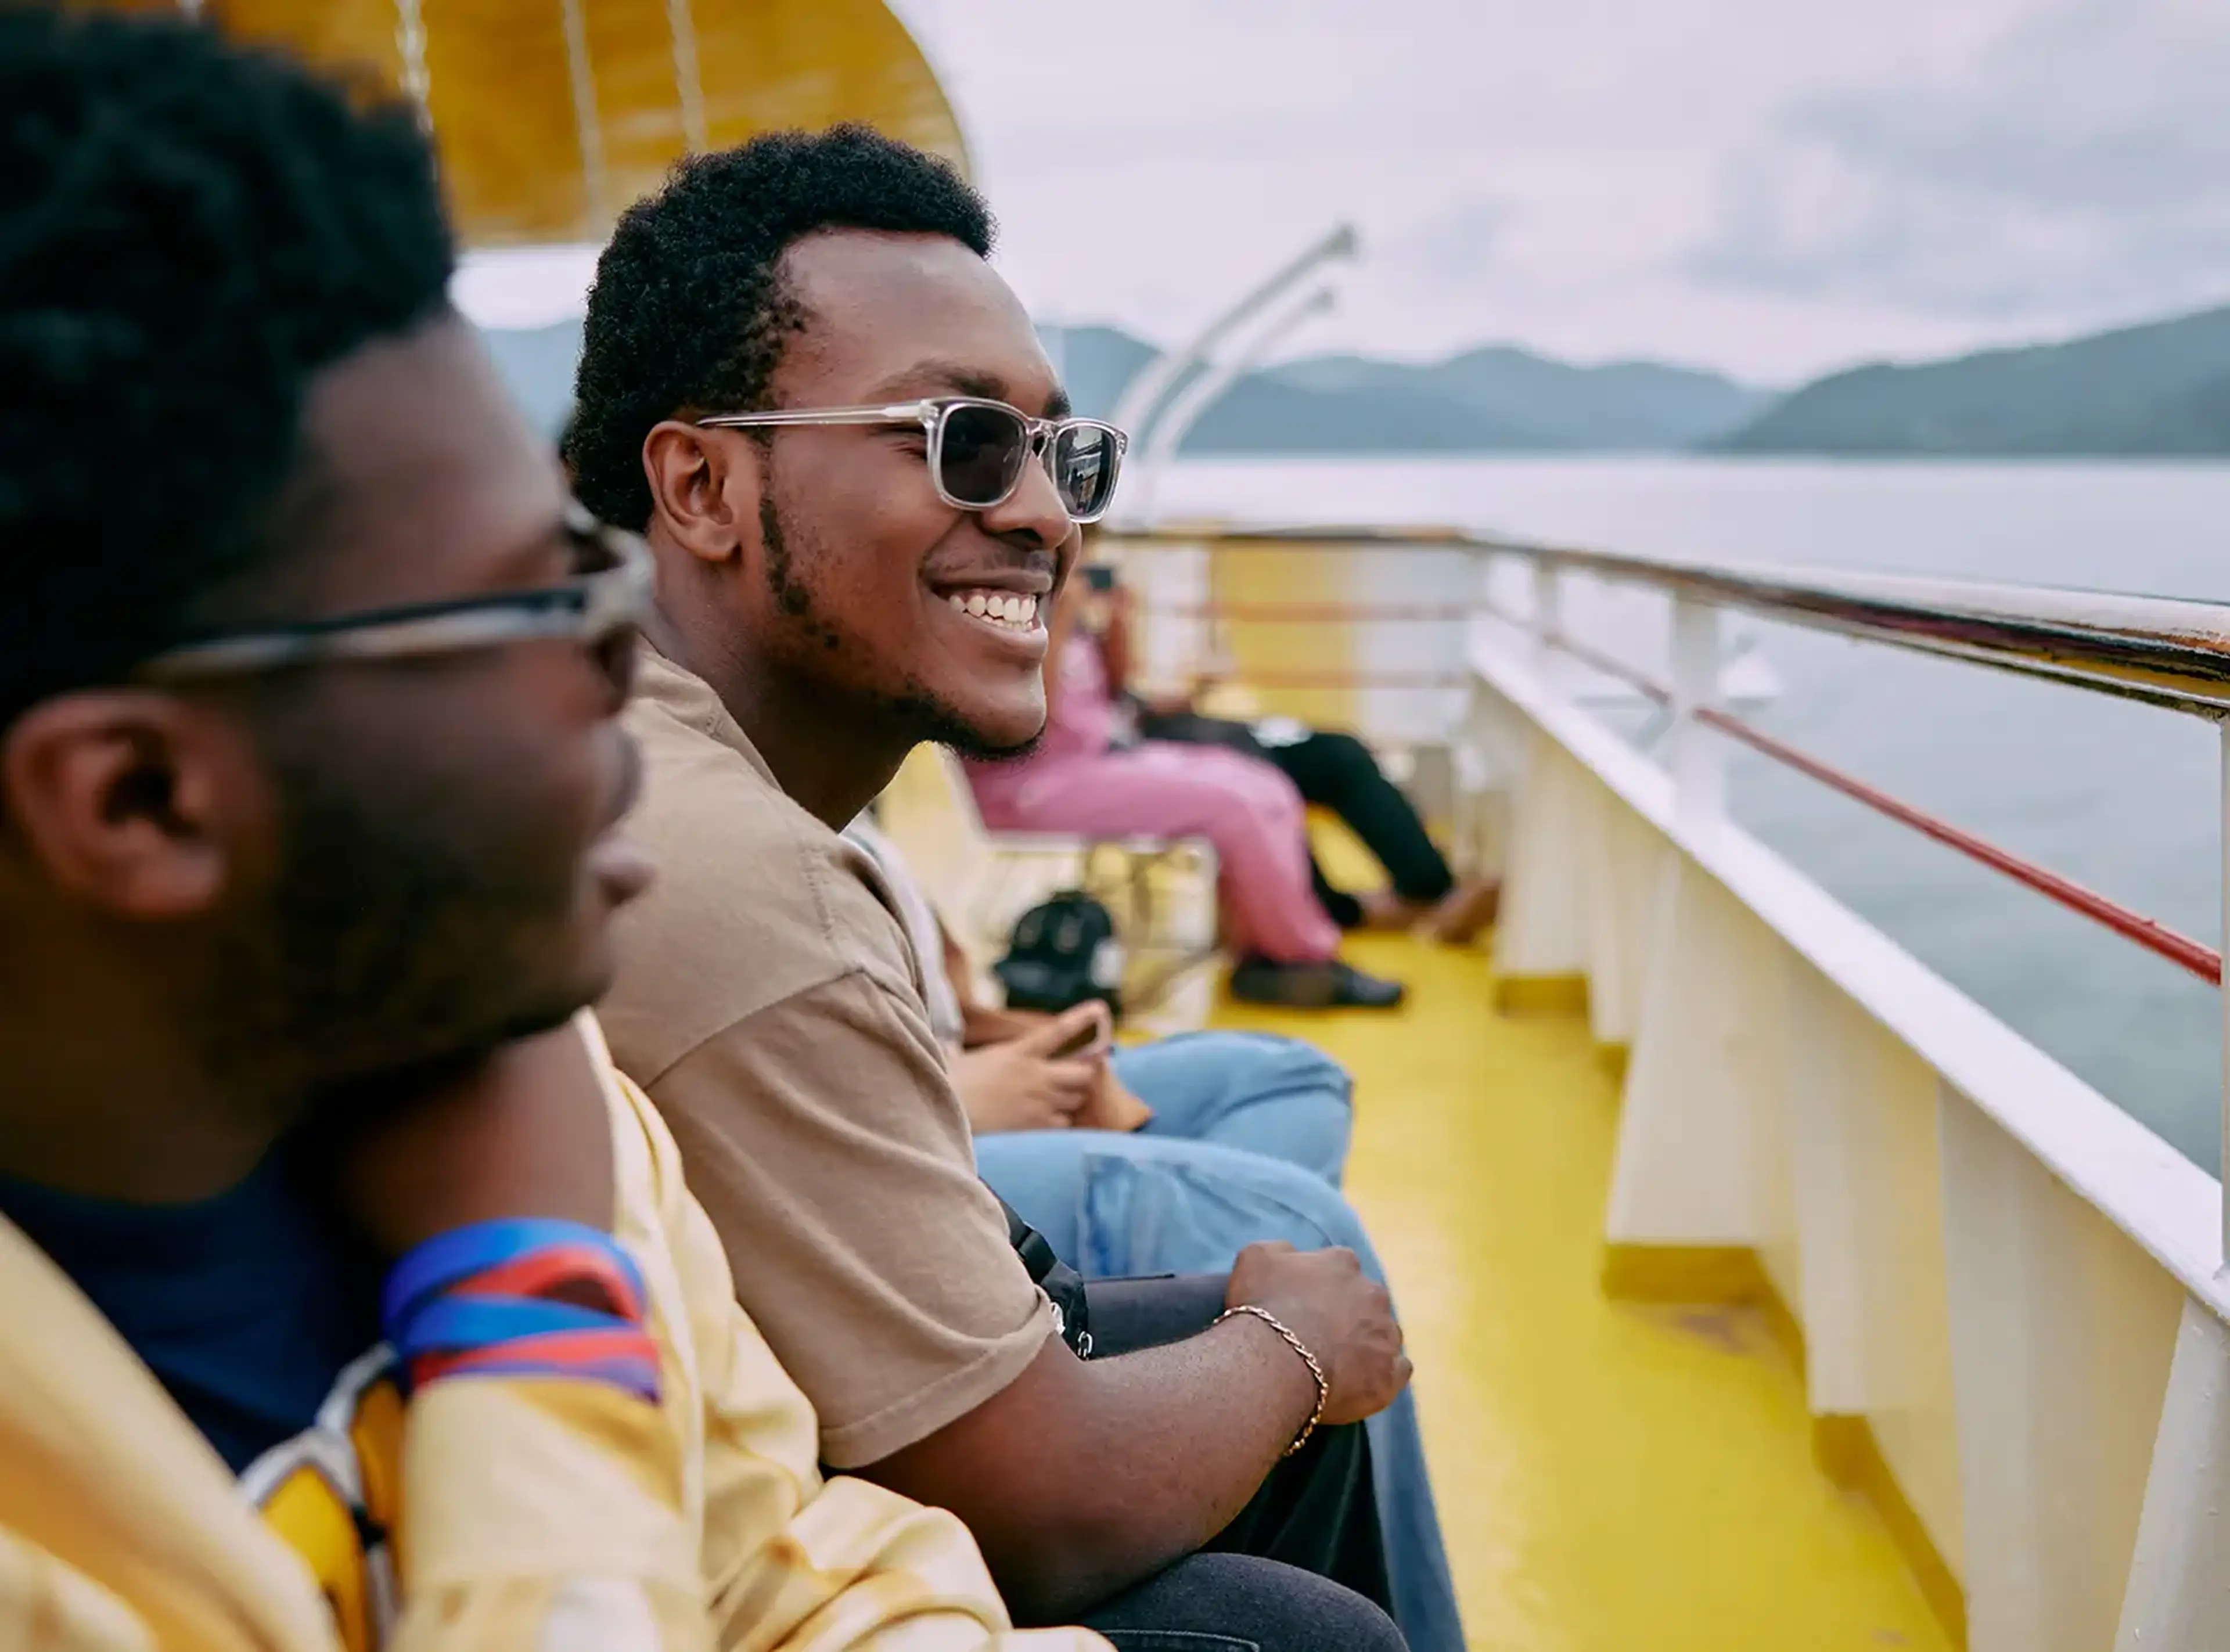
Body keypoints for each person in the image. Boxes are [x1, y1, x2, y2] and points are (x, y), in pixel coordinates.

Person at [0, 14, 1100, 1651]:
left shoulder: (529, 1074)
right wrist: (529, 1317)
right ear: (140, 803)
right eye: (519, 613)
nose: (619, 678)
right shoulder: (522, 1171)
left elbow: (833, 1582)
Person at [568, 129, 1417, 1649]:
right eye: (963, 439)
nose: (1043, 513)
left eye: (1063, 453)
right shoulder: (734, 866)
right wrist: (1296, 1337)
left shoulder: (620, 728)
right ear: (699, 482)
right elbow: (1038, 1499)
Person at [845, 815, 1466, 1650]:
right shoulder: (734, 839)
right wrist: (968, 1094)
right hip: (938, 1113)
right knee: (1307, 1229)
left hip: (950, 1057)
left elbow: (919, 992)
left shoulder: (816, 800)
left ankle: (1193, 1246)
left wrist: (1029, 1040)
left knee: (1300, 1075)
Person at [965, 582, 1409, 1009]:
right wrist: (1059, 618)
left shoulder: (1059, 603)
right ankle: (1300, 958)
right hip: (1031, 785)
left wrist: (1117, 622)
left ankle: (1261, 947)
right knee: (1235, 806)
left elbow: (1116, 694)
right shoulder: (1010, 610)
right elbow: (1024, 718)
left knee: (1263, 782)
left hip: (1099, 757)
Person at [1084, 556, 1501, 944]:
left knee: (1338, 752)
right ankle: (1338, 909)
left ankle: (1430, 887)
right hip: (1131, 749)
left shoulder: (1079, 594)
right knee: (1261, 780)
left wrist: (1118, 622)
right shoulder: (1047, 603)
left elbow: (1117, 689)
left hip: (1161, 724)